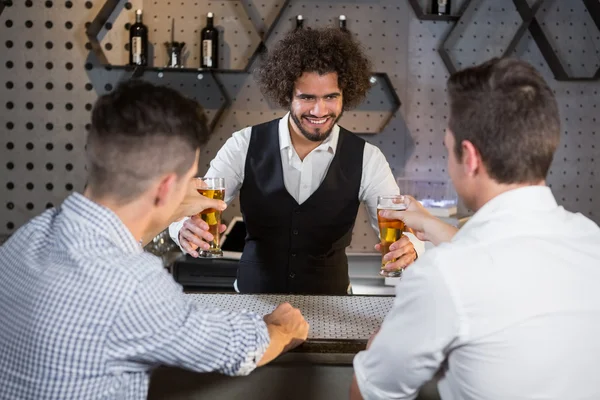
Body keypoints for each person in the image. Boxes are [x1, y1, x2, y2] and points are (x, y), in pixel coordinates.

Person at [0, 80, 309, 400]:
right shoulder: (135, 285)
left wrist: (169, 208)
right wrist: (282, 327)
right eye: (190, 179)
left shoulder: (28, 237)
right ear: (164, 188)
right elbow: (238, 350)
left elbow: (112, 244)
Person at [350, 57, 600, 399]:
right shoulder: (591, 242)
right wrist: (430, 224)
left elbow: (368, 394)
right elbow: (506, 253)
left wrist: (377, 349)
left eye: (447, 146)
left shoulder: (444, 276)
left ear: (469, 157)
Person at [169, 27, 424, 295]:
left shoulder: (368, 158)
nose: (319, 110)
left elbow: (401, 225)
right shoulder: (243, 145)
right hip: (255, 306)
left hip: (333, 306)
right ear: (287, 94)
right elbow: (195, 205)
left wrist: (410, 246)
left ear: (344, 95)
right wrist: (182, 228)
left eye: (330, 97)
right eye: (307, 98)